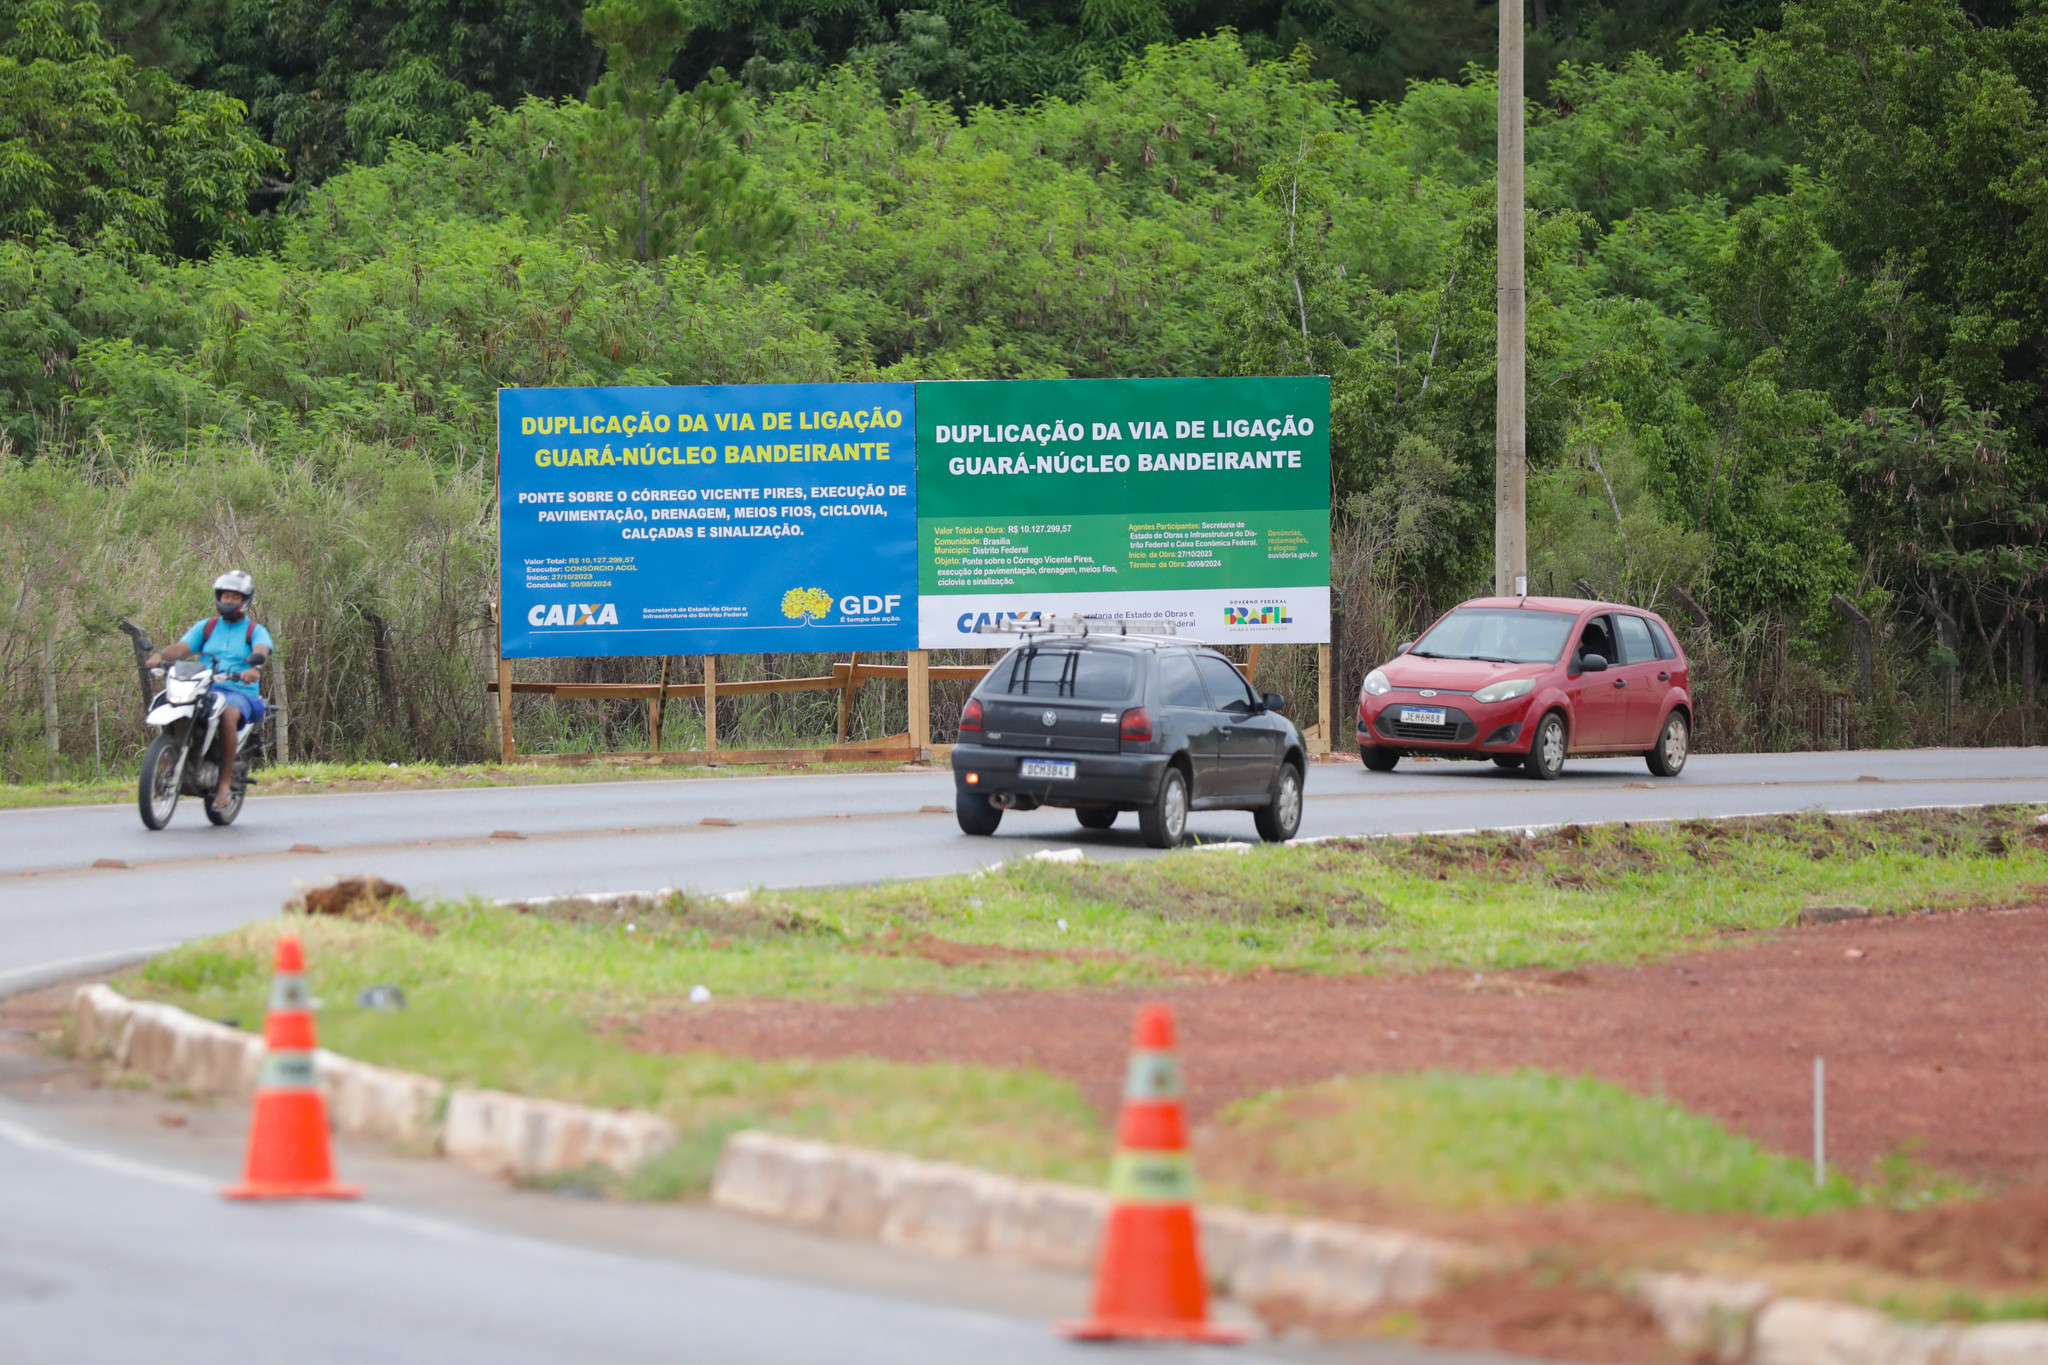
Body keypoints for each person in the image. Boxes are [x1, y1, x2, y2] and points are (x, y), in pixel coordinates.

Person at [145, 571, 272, 811]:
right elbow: (181, 648)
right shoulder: (207, 627)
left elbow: (262, 649)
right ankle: (166, 759)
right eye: (225, 595)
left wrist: (254, 667)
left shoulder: (254, 630)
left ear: (245, 601)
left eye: (234, 597)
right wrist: (160, 656)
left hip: (240, 691)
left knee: (228, 714)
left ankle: (223, 783)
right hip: (204, 685)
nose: (228, 600)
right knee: (169, 702)